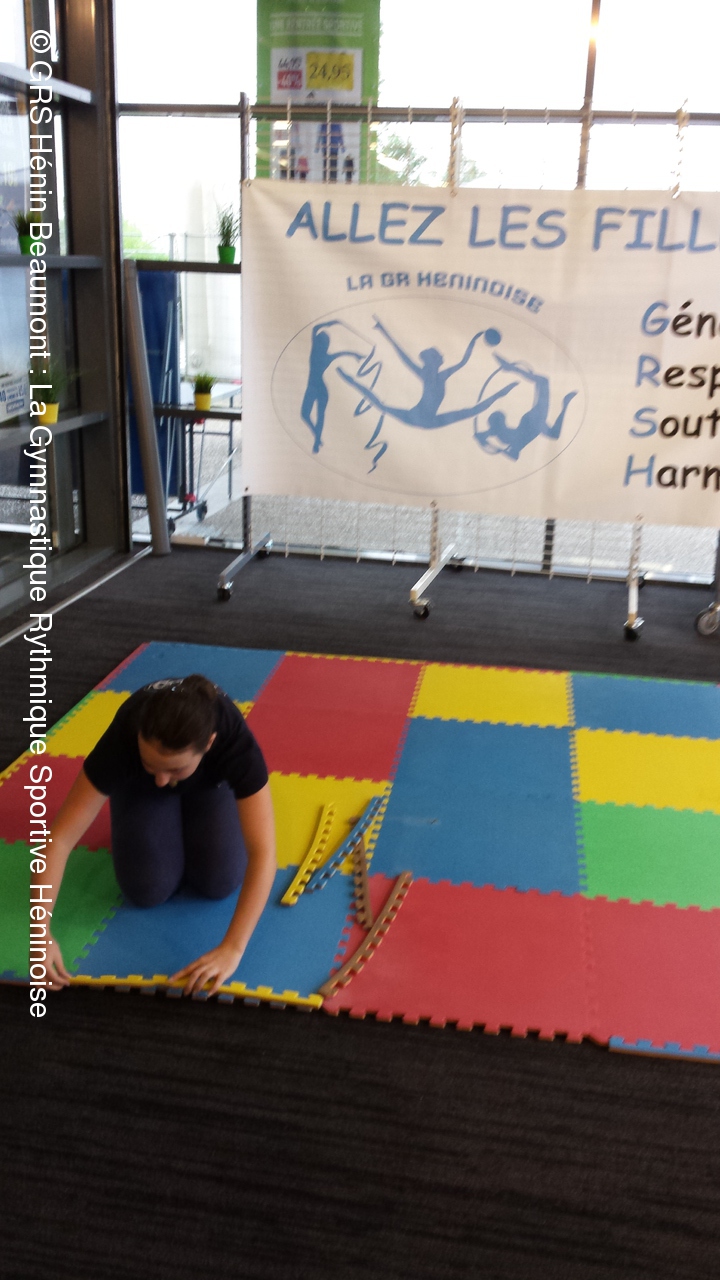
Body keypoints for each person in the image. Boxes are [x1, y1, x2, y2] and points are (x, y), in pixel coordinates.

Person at [36, 674, 276, 997]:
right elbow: (59, 839)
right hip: (138, 787)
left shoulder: (232, 739)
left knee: (220, 881)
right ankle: (147, 788)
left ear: (209, 744)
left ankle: (185, 784)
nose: (163, 779)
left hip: (208, 785)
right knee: (146, 889)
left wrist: (233, 948)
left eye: (174, 769)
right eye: (152, 764)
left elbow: (263, 853)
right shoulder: (123, 738)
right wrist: (40, 934)